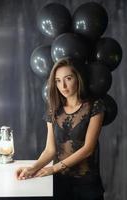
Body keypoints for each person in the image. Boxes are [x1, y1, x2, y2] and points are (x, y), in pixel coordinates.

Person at [16, 57, 105, 200]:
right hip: (60, 183)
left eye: (68, 78)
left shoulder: (94, 106)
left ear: (78, 78)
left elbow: (88, 149)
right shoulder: (53, 110)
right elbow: (50, 150)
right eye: (58, 80)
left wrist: (53, 168)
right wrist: (33, 168)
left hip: (87, 185)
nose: (63, 85)